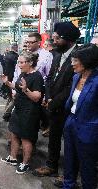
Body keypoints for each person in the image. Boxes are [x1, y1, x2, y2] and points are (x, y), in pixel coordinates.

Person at [33, 22, 81, 179]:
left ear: (68, 40)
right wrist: (48, 97)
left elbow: (72, 85)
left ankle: (69, 174)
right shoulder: (58, 54)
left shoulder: (79, 56)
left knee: (70, 142)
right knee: (53, 138)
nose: (53, 42)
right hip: (53, 105)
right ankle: (51, 166)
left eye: (57, 39)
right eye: (53, 38)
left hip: (69, 107)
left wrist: (55, 101)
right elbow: (49, 79)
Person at [1, 51, 44, 174]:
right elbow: (17, 87)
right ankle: (13, 158)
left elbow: (36, 97)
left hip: (29, 112)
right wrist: (7, 83)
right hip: (19, 109)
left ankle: (25, 163)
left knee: (26, 138)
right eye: (18, 62)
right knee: (14, 134)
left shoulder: (37, 76)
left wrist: (26, 90)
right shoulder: (23, 74)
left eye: (21, 62)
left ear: (30, 62)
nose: (19, 64)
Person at [63, 44, 98, 189]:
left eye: (75, 60)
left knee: (87, 165)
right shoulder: (77, 76)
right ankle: (68, 185)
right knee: (69, 160)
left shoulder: (96, 81)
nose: (72, 63)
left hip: (89, 128)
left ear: (87, 60)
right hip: (71, 123)